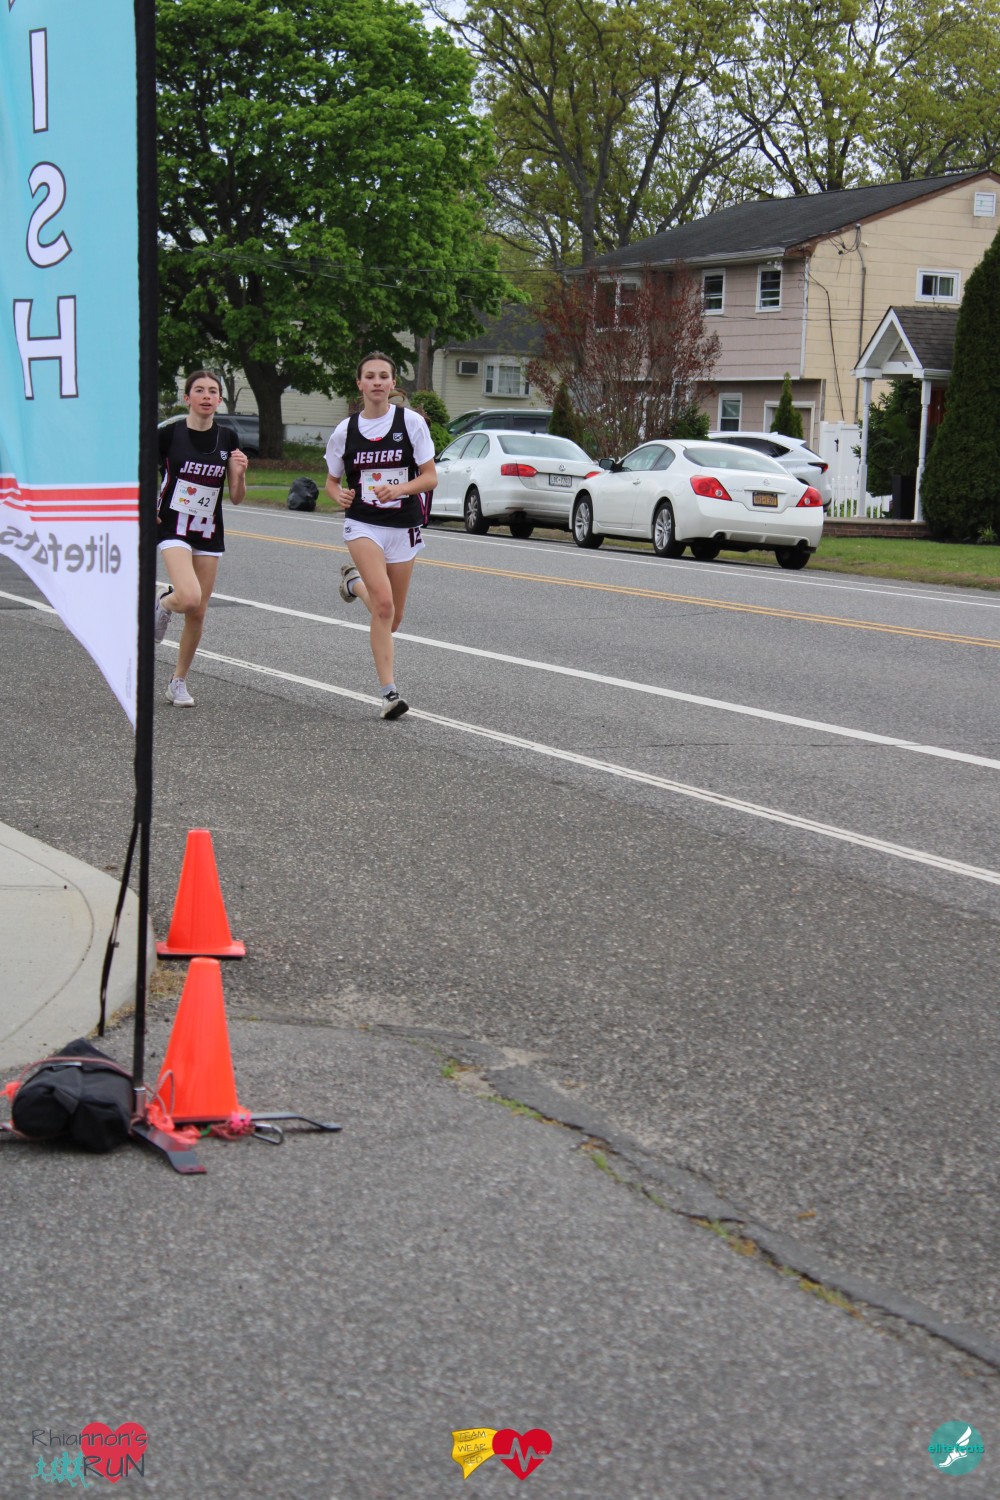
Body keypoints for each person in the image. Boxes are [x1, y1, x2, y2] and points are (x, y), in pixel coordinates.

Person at [325, 351, 437, 719]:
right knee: (384, 606)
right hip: (363, 524)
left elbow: (430, 477)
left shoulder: (411, 423)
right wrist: (337, 495)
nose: (377, 382)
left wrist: (401, 489)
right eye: (370, 376)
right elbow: (331, 481)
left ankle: (354, 584)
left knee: (393, 618)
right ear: (359, 384)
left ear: (393, 383)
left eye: (383, 376)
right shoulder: (345, 430)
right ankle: (389, 694)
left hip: (403, 525)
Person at [153, 370, 248, 706]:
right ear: (187, 398)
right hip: (172, 526)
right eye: (199, 390)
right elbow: (140, 468)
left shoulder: (228, 438)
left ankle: (178, 681)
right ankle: (164, 603)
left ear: (219, 399)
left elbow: (236, 497)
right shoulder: (169, 435)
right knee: (189, 597)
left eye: (212, 391)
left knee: (198, 612)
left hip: (208, 530)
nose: (206, 396)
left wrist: (240, 474)